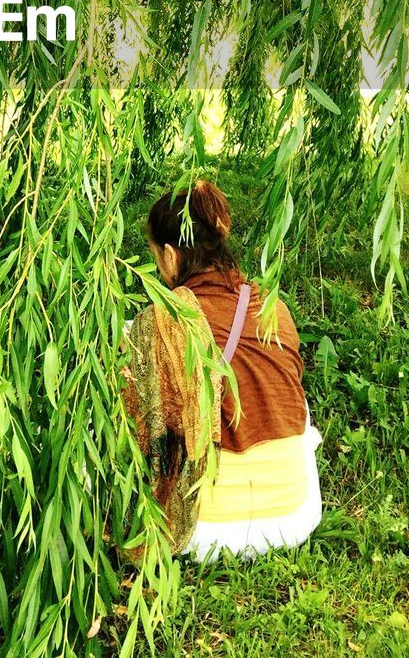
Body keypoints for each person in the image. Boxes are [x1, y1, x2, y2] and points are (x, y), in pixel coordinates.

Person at [120, 178, 322, 561]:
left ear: (170, 255)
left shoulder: (164, 321)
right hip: (295, 514)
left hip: (202, 531)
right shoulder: (273, 308)